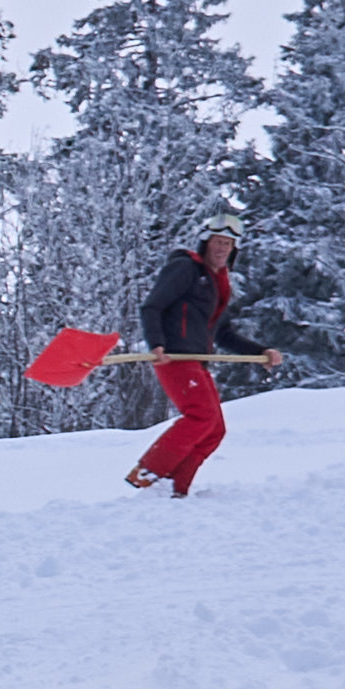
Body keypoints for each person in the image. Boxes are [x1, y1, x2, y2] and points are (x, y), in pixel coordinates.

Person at [127, 214, 277, 499]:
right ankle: (148, 474)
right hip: (173, 357)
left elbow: (222, 332)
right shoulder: (186, 268)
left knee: (214, 429)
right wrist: (156, 344)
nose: (222, 249)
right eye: (217, 242)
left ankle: (176, 488)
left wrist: (260, 352)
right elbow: (152, 306)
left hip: (196, 360)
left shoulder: (217, 283)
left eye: (228, 244)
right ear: (206, 242)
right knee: (201, 416)